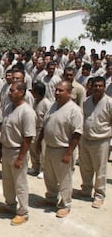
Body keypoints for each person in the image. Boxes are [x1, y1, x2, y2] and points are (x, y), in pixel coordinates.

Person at [36, 81, 83, 218]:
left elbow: (77, 133)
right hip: (49, 147)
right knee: (49, 176)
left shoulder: (74, 110)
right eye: (56, 90)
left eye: (60, 90)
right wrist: (39, 142)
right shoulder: (53, 106)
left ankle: (65, 204)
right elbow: (45, 125)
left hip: (63, 149)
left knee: (64, 178)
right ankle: (51, 198)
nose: (57, 93)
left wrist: (69, 153)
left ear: (69, 93)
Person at [0, 81, 36, 226]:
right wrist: (1, 149)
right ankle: (9, 205)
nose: (9, 93)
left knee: (20, 183)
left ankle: (23, 212)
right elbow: (4, 129)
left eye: (12, 90)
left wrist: (21, 157)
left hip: (17, 151)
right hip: (7, 149)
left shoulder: (26, 111)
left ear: (21, 92)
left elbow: (28, 137)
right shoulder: (8, 107)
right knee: (7, 181)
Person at [77, 76, 112, 208]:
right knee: (85, 168)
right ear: (91, 87)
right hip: (86, 139)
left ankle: (99, 195)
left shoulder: (109, 102)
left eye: (100, 86)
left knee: (100, 170)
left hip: (101, 141)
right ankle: (86, 190)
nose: (97, 88)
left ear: (104, 87)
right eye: (95, 86)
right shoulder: (86, 101)